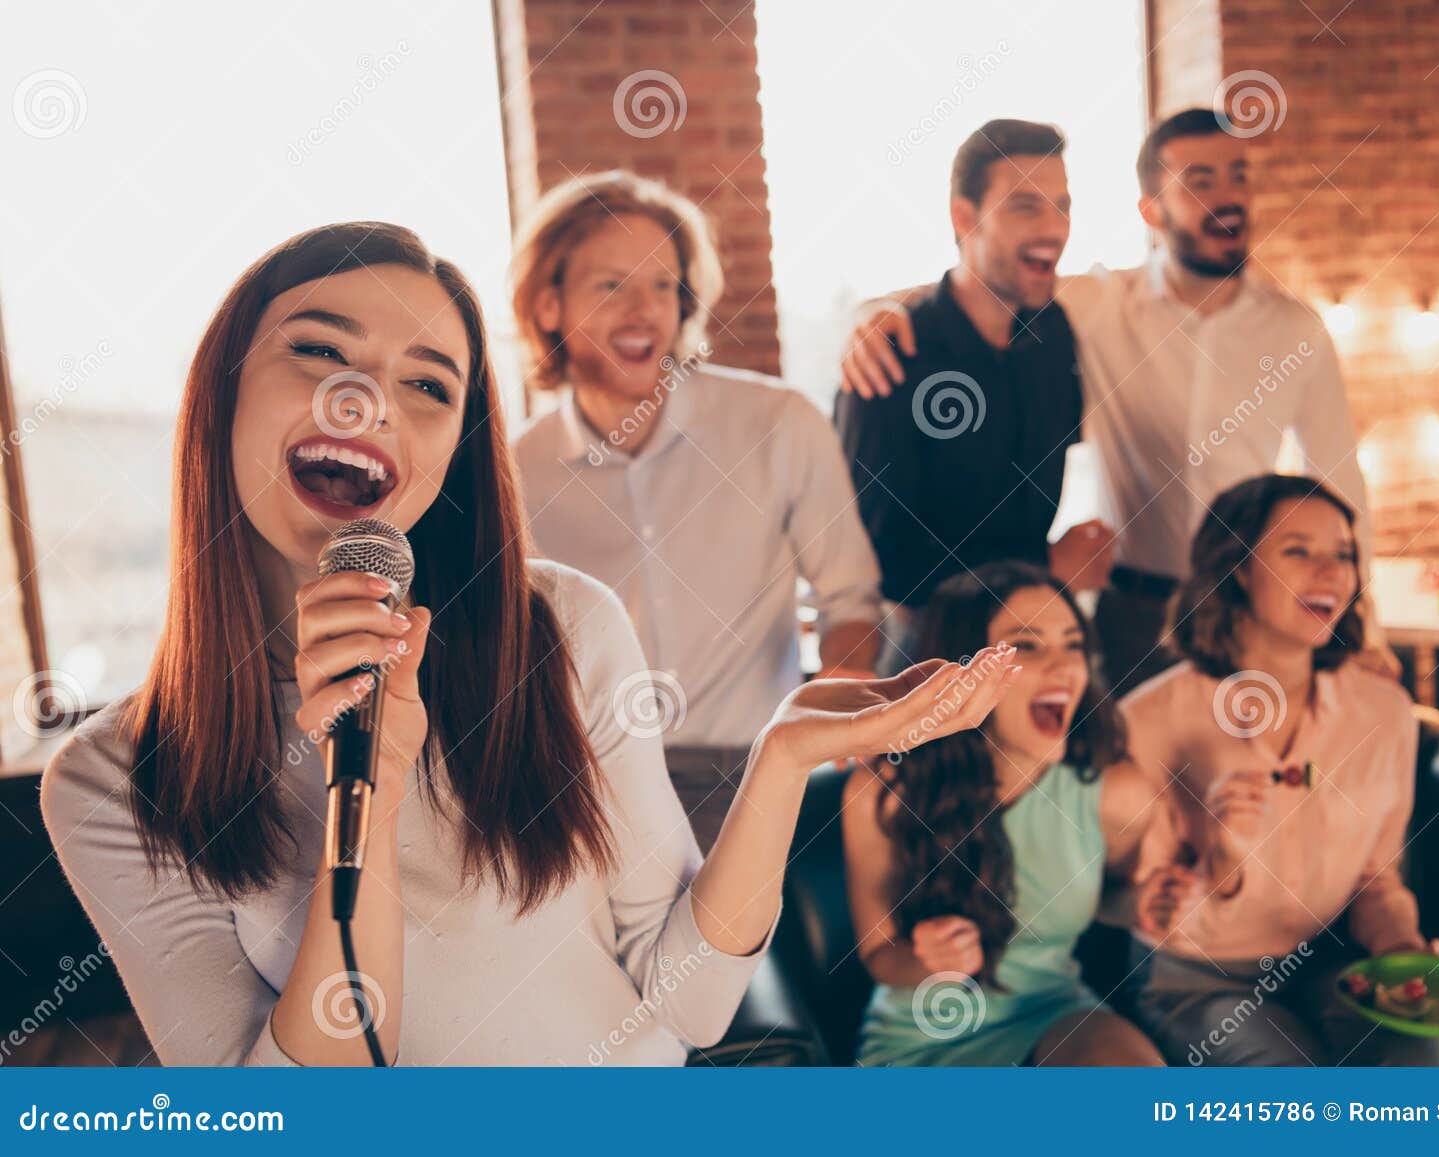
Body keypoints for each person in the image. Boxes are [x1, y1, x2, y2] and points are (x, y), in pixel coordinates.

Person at [40, 222, 1021, 1067]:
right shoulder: (110, 778)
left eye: (428, 383)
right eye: (319, 351)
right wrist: (366, 795)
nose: (365, 403)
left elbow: (689, 999)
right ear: (221, 390)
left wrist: (784, 751)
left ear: (452, 452)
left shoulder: (565, 627)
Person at [838, 109, 1392, 694]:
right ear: (1151, 211)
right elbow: (971, 290)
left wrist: (1364, 629)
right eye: (1199, 182)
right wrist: (868, 318)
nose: (1226, 197)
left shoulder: (1296, 331)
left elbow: (1340, 484)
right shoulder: (1096, 307)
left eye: (1237, 176)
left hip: (1251, 608)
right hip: (1124, 615)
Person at [512, 171, 883, 851]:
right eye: (611, 284)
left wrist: (844, 674)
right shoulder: (512, 473)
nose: (645, 309)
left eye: (663, 285)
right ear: (547, 306)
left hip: (752, 776)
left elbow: (850, 597)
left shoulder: (780, 423)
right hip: (582, 792)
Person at [1126, 473, 1439, 1067]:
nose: (1329, 573)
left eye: (1343, 556)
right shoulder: (1150, 721)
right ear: (1236, 569)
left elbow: (1375, 881)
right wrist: (1220, 862)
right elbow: (1149, 906)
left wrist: (1403, 951)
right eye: (1298, 551)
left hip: (1333, 960)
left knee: (1424, 1057)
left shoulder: (1382, 711)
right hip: (1198, 976)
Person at [843, 560, 1166, 1066]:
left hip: (1053, 1011)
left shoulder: (1119, 792)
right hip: (923, 1032)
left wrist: (1151, 905)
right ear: (962, 671)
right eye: (1028, 645)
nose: (1064, 667)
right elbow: (879, 955)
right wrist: (928, 961)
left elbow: (1116, 900)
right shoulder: (880, 791)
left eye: (1073, 644)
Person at [833, 120, 1114, 673]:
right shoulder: (895, 351)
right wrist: (1048, 565)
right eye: (1026, 207)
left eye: (1062, 205)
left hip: (1030, 632)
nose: (1054, 227)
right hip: (923, 651)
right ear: (965, 217)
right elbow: (881, 559)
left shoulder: (1054, 330)